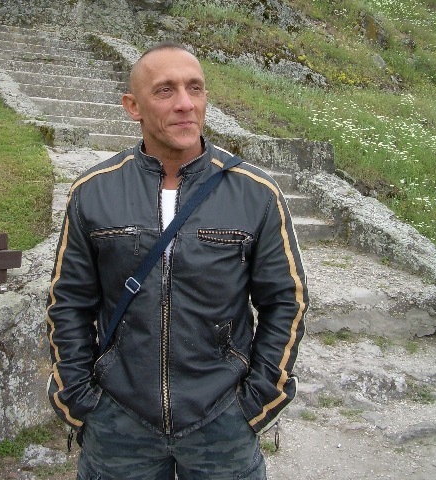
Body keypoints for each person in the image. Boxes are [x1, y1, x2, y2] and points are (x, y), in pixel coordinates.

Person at [46, 41, 309, 480]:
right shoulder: (93, 192)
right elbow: (67, 302)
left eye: (195, 88)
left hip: (223, 419)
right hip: (118, 420)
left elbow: (286, 301)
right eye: (165, 90)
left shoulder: (256, 193)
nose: (185, 104)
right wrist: (80, 399)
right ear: (133, 106)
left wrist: (257, 400)